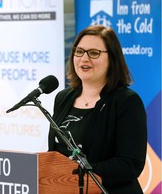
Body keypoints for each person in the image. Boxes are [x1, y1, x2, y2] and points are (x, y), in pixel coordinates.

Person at [48, 25, 147, 194]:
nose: (84, 58)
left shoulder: (127, 102)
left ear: (112, 58)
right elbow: (55, 152)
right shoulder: (63, 98)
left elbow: (130, 164)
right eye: (79, 51)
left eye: (94, 53)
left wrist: (79, 173)